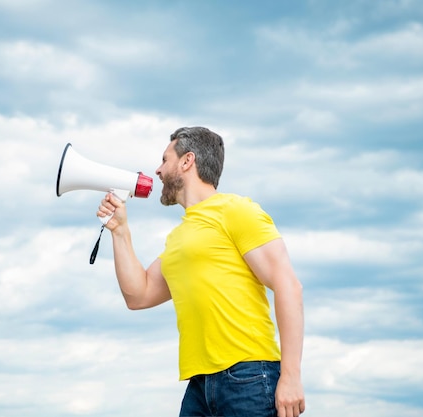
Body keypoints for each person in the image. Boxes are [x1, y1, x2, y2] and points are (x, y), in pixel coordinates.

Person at [97, 126, 305, 417]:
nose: (157, 170)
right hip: (199, 386)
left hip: (248, 375)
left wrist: (291, 376)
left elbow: (288, 286)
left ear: (187, 161)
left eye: (165, 159)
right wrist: (120, 231)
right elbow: (139, 295)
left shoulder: (236, 210)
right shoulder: (179, 237)